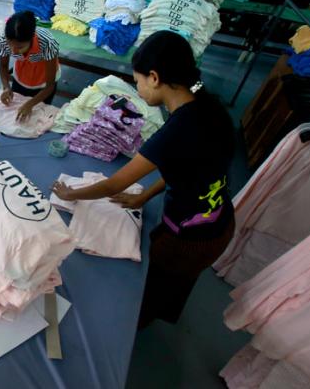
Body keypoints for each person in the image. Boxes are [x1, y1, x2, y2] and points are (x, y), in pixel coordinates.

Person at [51, 31, 235, 329]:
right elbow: (187, 168)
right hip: (219, 222)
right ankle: (158, 311)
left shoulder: (174, 130)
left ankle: (137, 325)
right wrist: (144, 196)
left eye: (137, 82)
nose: (138, 89)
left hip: (190, 239)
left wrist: (71, 195)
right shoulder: (210, 110)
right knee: (174, 285)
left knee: (151, 291)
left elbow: (115, 184)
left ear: (154, 77)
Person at [0, 11, 60, 121]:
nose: (14, 50)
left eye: (20, 47)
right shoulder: (4, 40)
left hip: (43, 82)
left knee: (39, 117)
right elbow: (3, 67)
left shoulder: (47, 43)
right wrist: (6, 87)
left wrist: (30, 104)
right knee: (15, 113)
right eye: (10, 45)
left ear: (31, 38)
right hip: (21, 76)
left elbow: (49, 86)